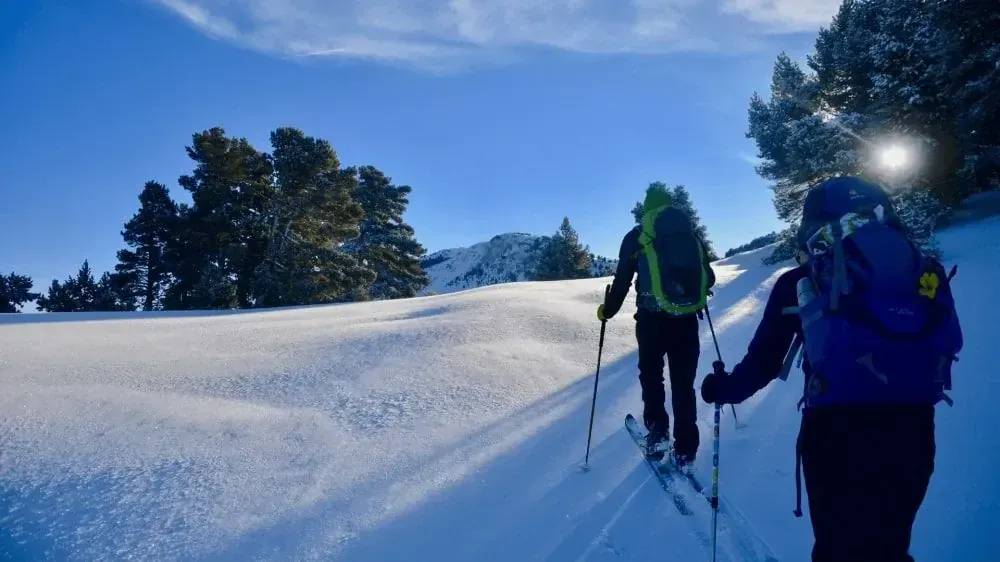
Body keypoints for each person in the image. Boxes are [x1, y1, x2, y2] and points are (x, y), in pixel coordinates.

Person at [699, 176, 963, 562]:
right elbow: (950, 340)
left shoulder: (803, 280)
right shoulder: (923, 271)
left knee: (838, 548)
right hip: (915, 428)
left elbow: (764, 362)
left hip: (837, 433)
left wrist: (722, 389)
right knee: (890, 546)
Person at [597, 184, 716, 466]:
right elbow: (708, 278)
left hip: (651, 321)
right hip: (686, 320)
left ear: (647, 208)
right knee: (683, 384)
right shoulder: (691, 236)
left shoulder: (637, 236)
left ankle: (658, 431)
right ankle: (686, 447)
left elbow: (623, 280)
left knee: (652, 376)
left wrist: (607, 311)